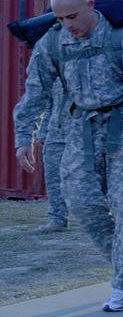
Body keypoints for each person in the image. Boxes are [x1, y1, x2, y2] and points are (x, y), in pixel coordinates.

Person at [13, 0, 123, 312]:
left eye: (73, 16)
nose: (68, 25)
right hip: (81, 128)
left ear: (91, 7)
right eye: (60, 19)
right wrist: (23, 136)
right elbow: (35, 91)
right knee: (81, 202)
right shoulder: (54, 43)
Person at [35, 79, 70, 233]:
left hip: (84, 134)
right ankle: (57, 219)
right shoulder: (54, 75)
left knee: (95, 177)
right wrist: (42, 132)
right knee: (53, 177)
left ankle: (101, 219)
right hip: (56, 134)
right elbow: (49, 106)